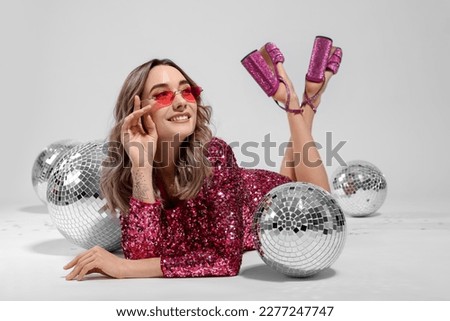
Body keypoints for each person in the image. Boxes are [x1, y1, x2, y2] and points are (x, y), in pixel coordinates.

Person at [63, 36, 342, 280]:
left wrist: (122, 269)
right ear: (136, 112)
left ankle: (293, 103)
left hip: (278, 204)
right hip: (265, 190)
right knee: (290, 175)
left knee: (321, 206)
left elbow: (226, 260)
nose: (182, 101)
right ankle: (309, 98)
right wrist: (141, 165)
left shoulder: (215, 154)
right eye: (161, 95)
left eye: (186, 90)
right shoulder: (135, 171)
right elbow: (142, 253)